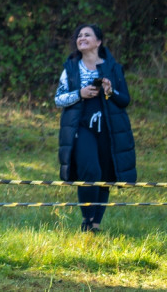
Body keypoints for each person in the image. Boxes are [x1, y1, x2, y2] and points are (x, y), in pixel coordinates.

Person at [54, 25, 135, 232]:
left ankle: (96, 225)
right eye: (79, 36)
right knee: (90, 171)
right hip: (81, 128)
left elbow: (124, 100)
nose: (81, 38)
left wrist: (109, 91)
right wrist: (79, 93)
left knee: (106, 175)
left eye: (87, 35)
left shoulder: (113, 68)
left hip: (108, 129)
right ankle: (87, 220)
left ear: (98, 41)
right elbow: (59, 99)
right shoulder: (70, 68)